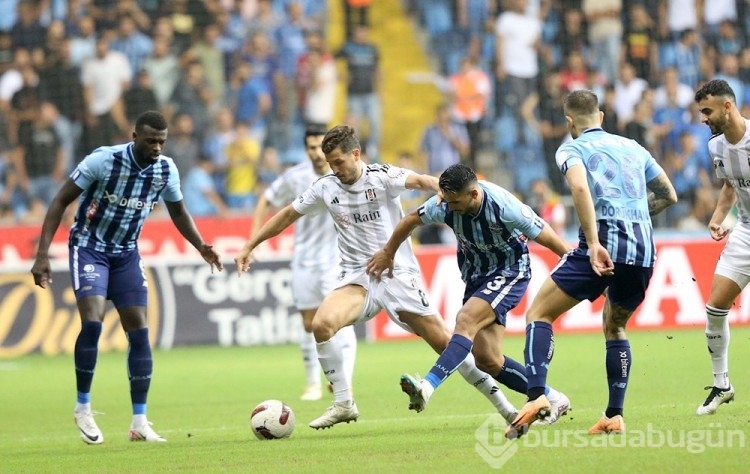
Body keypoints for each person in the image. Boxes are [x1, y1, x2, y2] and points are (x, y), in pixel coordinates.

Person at [235, 125, 518, 429]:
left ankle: (507, 410)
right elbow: (287, 215)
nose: (334, 169)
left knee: (449, 346)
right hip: (358, 278)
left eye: (339, 162)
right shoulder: (325, 187)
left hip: (397, 275)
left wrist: (445, 192)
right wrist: (251, 244)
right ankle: (344, 404)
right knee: (321, 324)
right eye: (330, 163)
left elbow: (420, 180)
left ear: (356, 154)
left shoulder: (382, 176)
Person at [30, 111, 223, 444]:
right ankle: (83, 407)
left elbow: (178, 211)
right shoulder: (103, 161)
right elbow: (61, 199)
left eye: (162, 141)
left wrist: (201, 245)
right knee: (93, 321)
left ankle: (139, 422)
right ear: (134, 136)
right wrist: (43, 254)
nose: (157, 147)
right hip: (89, 247)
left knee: (139, 331)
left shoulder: (166, 169)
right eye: (151, 141)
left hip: (126, 254)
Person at [507, 89, 677, 438]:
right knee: (614, 326)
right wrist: (635, 218)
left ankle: (538, 395)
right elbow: (668, 195)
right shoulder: (634, 147)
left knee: (539, 313)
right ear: (600, 116)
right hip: (643, 251)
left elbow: (580, 190)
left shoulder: (571, 149)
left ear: (569, 122)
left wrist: (596, 242)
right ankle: (614, 414)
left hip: (602, 247)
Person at [367, 164, 572, 421]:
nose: (449, 208)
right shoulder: (444, 204)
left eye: (454, 202)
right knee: (487, 359)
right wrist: (388, 253)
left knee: (465, 320)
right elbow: (410, 220)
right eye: (447, 201)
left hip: (509, 272)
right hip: (476, 277)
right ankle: (553, 397)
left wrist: (580, 267)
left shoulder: (505, 206)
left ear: (473, 194)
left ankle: (427, 386)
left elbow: (550, 238)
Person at [249, 126, 358, 401]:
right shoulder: (296, 176)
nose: (315, 153)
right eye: (310, 147)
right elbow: (267, 199)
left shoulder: (343, 174)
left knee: (340, 321)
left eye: (319, 147)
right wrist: (254, 238)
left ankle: (346, 380)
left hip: (336, 260)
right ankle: (313, 383)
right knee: (309, 323)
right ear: (307, 149)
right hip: (304, 260)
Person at [693, 79, 748, 415]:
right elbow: (730, 183)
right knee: (715, 309)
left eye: (707, 111)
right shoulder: (716, 147)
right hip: (746, 231)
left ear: (727, 107)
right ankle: (722, 384)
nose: (704, 118)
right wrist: (718, 217)